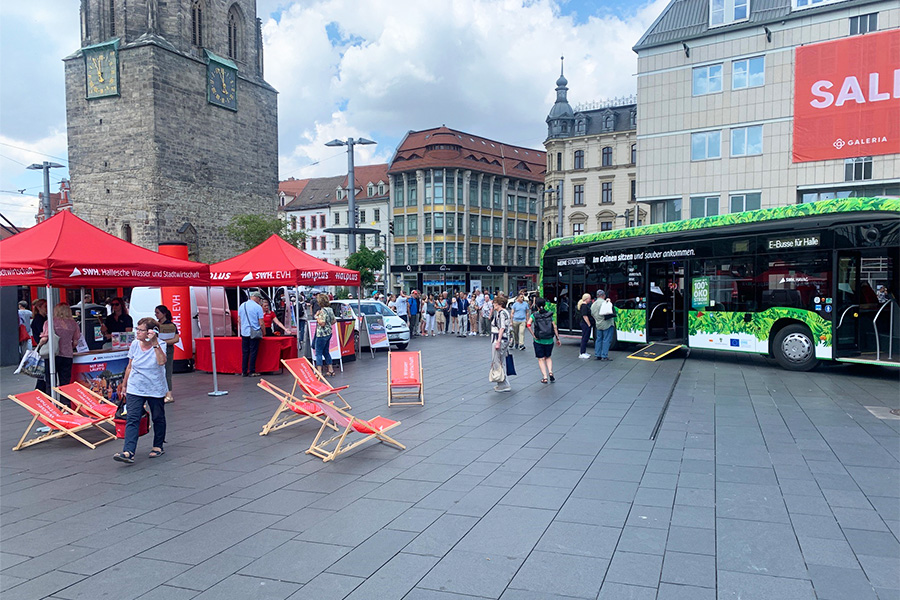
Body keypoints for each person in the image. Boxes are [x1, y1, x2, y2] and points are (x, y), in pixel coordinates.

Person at [113, 317, 168, 464]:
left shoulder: (160, 344)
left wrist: (155, 343)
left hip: (154, 387)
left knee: (157, 417)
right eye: (137, 329)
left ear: (151, 332)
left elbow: (162, 362)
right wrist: (124, 385)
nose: (137, 332)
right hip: (135, 386)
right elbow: (130, 366)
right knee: (132, 417)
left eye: (140, 330)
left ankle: (158, 445)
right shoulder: (135, 344)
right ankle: (128, 451)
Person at [40, 303, 85, 404]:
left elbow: (45, 338)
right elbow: (75, 342)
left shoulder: (50, 322)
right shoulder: (73, 324)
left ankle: (52, 404)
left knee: (50, 381)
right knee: (65, 382)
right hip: (67, 355)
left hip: (52, 355)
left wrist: (39, 345)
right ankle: (65, 406)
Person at [528, 297, 561, 383]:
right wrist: (557, 338)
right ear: (545, 304)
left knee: (541, 358)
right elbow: (554, 327)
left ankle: (545, 377)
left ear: (536, 305)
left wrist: (533, 334)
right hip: (549, 339)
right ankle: (550, 372)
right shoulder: (550, 315)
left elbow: (528, 324)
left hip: (538, 340)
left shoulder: (534, 315)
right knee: (548, 357)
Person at [154, 305, 180, 403]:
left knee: (167, 371)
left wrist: (164, 342)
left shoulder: (171, 325)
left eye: (157, 312)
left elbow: (176, 338)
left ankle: (169, 394)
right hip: (157, 349)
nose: (156, 315)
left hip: (167, 349)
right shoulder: (155, 325)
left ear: (164, 313)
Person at [238, 291, 265, 377]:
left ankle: (244, 371)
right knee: (253, 352)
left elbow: (239, 320)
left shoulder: (242, 305)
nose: (259, 300)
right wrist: (264, 332)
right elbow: (261, 322)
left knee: (245, 352)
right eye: (259, 299)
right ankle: (252, 371)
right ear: (256, 297)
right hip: (254, 332)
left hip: (244, 332)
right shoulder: (258, 307)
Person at [490, 293, 512, 392]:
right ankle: (503, 383)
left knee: (497, 361)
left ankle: (503, 384)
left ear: (499, 304)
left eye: (494, 303)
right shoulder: (505, 312)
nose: (493, 305)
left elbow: (502, 327)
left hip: (500, 339)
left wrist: (498, 341)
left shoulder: (501, 313)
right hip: (504, 339)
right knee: (500, 360)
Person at [313, 293, 336, 377]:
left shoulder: (322, 311)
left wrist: (316, 317)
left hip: (321, 334)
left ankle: (319, 372)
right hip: (328, 333)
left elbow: (322, 323)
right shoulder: (330, 309)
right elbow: (334, 321)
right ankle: (331, 370)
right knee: (326, 351)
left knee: (318, 352)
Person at [591, 290, 615, 361]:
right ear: (603, 295)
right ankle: (604, 355)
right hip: (607, 324)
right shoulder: (605, 303)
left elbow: (592, 314)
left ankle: (597, 354)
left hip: (598, 324)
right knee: (606, 340)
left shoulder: (593, 304)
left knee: (598, 339)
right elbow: (609, 312)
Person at [577, 293, 594, 359]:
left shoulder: (583, 305)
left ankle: (583, 352)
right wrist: (589, 324)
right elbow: (585, 316)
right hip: (585, 324)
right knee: (585, 338)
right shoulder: (584, 306)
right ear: (586, 299)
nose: (590, 300)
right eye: (589, 298)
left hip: (584, 324)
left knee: (585, 337)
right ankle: (582, 352)